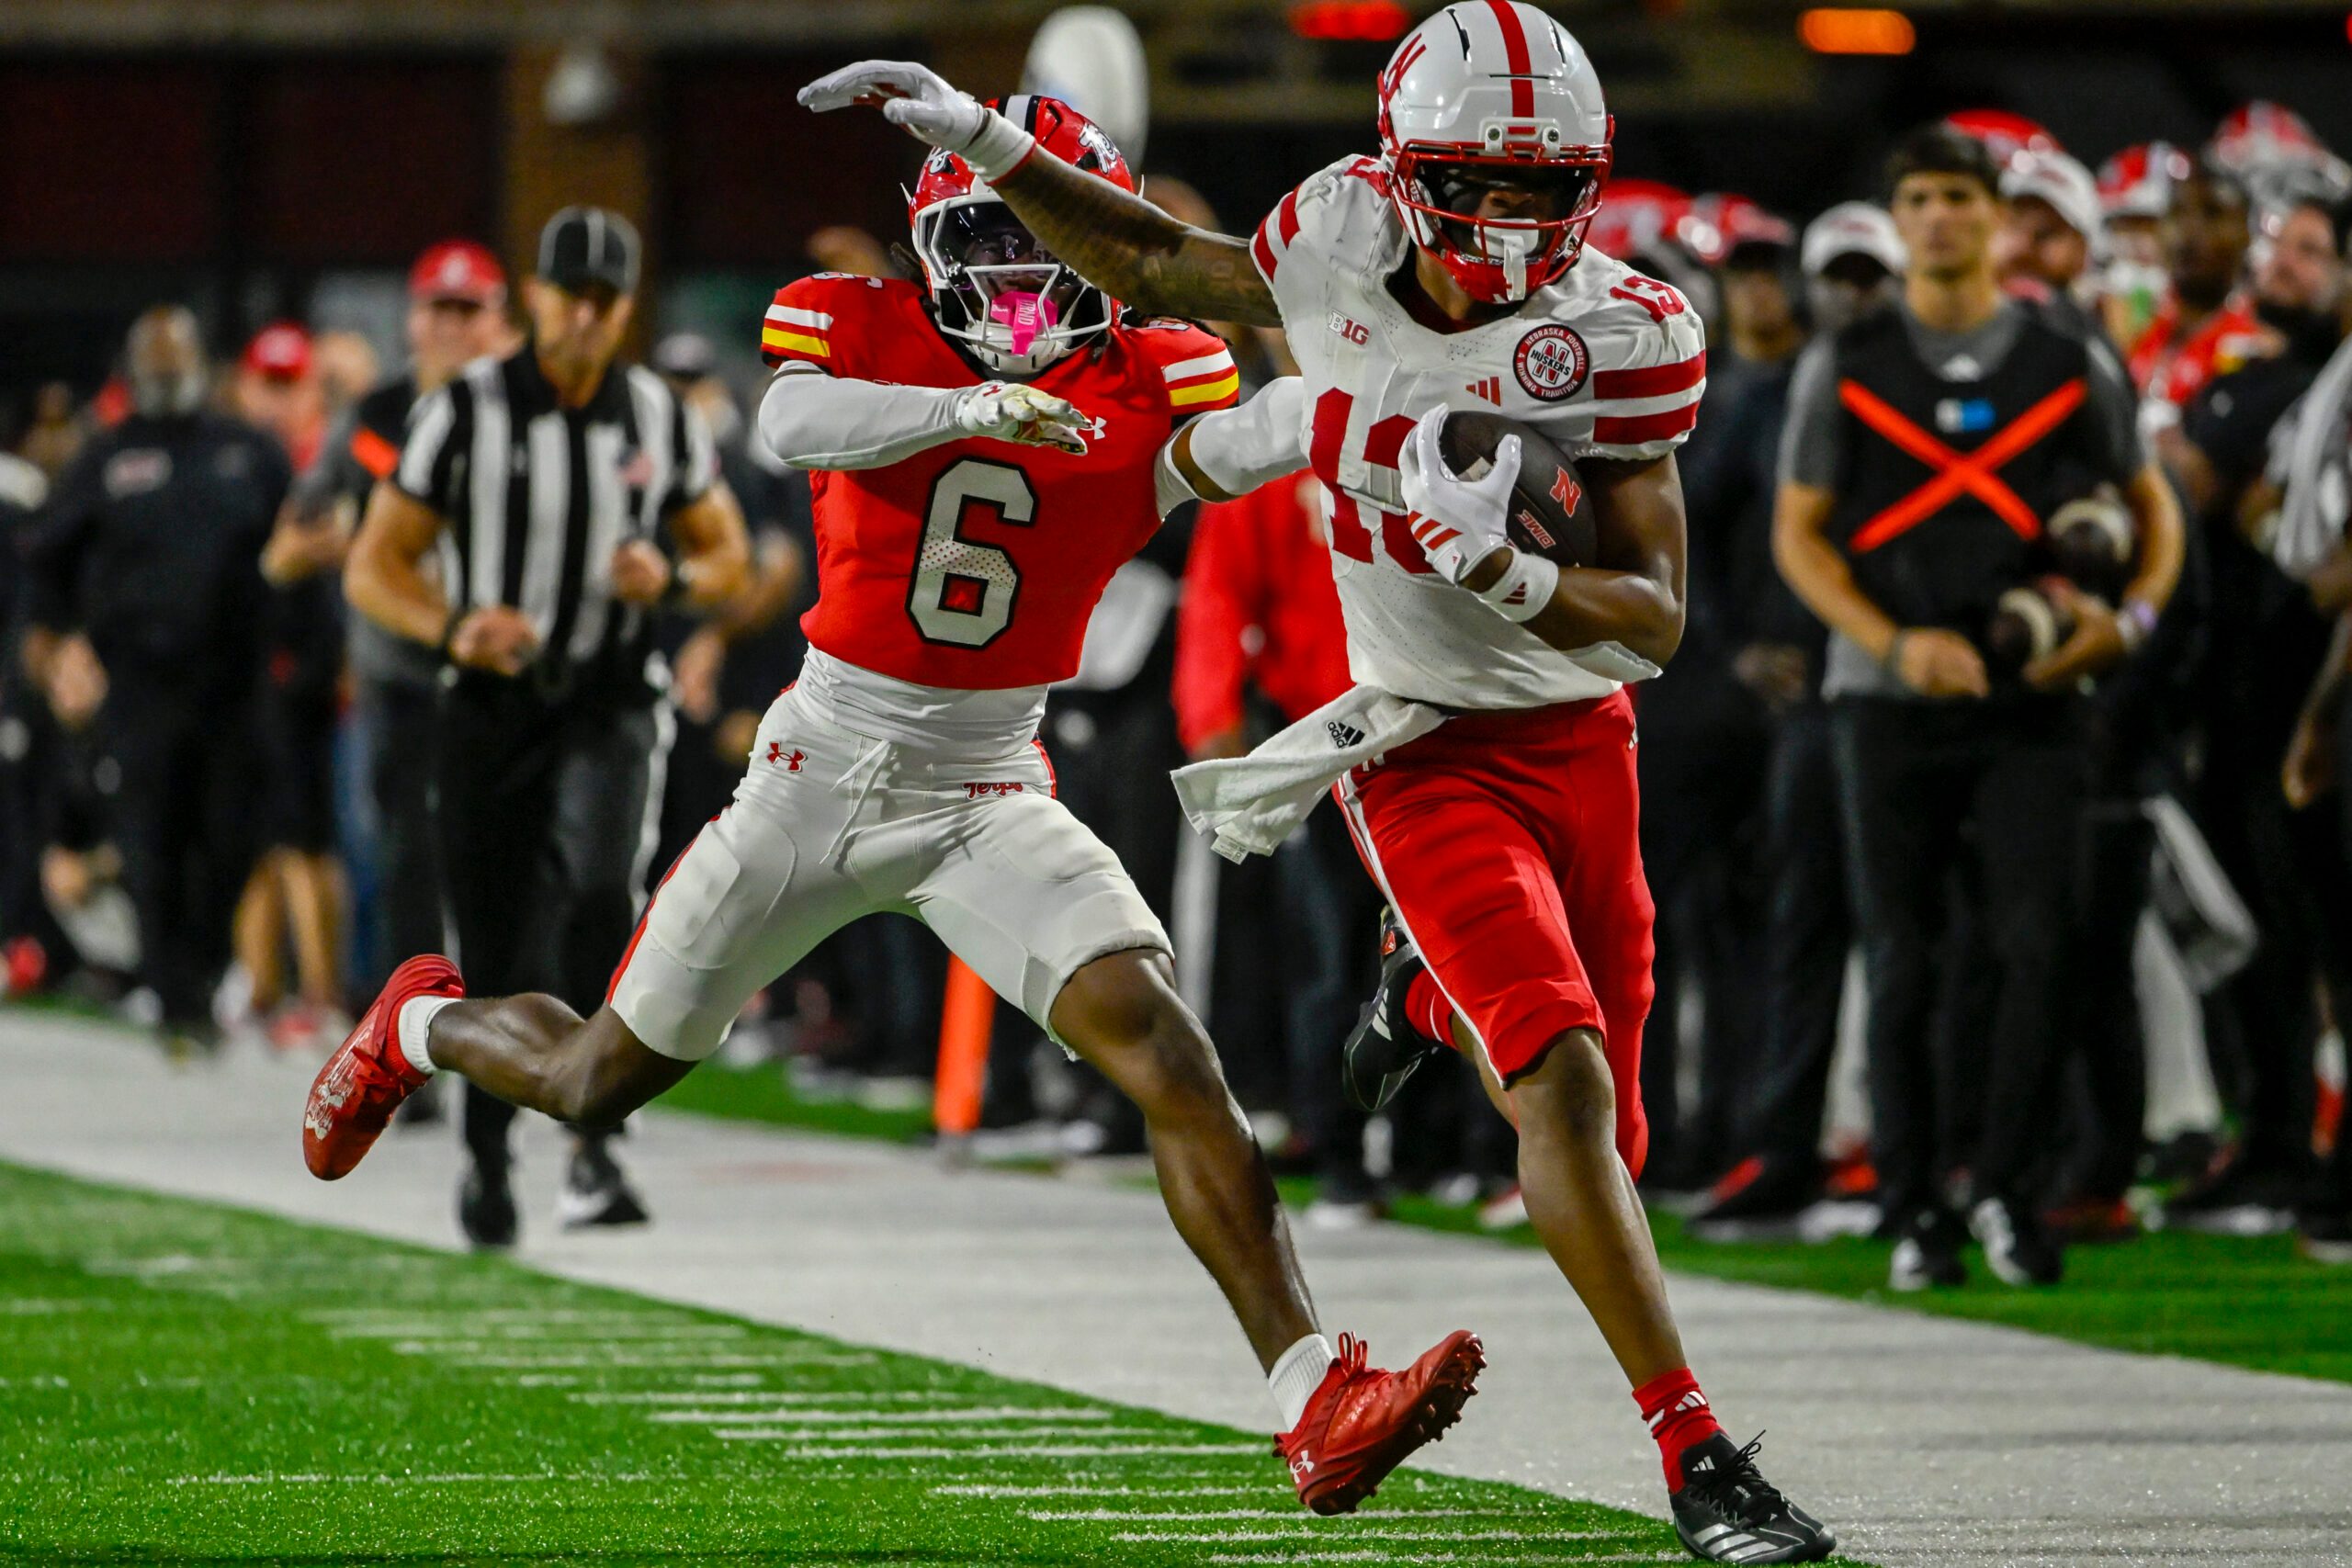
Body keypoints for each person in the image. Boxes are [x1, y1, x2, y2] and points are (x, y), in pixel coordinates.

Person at [305, 109, 1482, 1518]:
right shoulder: (857, 324)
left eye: (1044, 238)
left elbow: (1247, 442)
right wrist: (970, 409)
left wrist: (1393, 388)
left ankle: (1312, 1393)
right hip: (821, 767)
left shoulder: (1154, 372)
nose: (1022, 274)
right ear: (931, 247)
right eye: (988, 238)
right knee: (592, 1078)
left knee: (1173, 1054)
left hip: (990, 784)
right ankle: (418, 1022)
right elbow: (790, 420)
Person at [797, 13, 1838, 1559]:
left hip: (1582, 740)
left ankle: (1421, 1003)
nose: (1513, 221)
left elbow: (1657, 616)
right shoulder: (1335, 233)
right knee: (1550, 1076)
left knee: (1601, 1117)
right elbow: (1155, 266)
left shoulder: (1622, 327)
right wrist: (990, 145)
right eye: (1478, 181)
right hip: (1414, 742)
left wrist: (1508, 571)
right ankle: (1696, 1456)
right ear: (1408, 174)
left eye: (1544, 187)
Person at [1773, 125, 2184, 1292]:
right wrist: (1893, 645)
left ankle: (2008, 1190)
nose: (1940, 218)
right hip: (1884, 698)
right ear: (1896, 221)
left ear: (1997, 219)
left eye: (1960, 197)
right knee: (1901, 958)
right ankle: (1913, 1208)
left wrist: (2131, 623)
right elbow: (1798, 535)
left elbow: (2152, 510)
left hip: (2034, 700)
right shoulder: (1845, 358)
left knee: (2033, 948)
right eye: (1919, 199)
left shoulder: (2064, 352)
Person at [336, 208, 752, 1248]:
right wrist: (454, 627)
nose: (584, 317)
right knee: (494, 934)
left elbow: (728, 554)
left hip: (611, 693)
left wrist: (678, 579)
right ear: (534, 294)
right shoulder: (465, 411)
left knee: (602, 889)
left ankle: (596, 1141)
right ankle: (485, 1155)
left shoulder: (656, 415)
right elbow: (374, 564)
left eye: (606, 301)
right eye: (570, 294)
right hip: (492, 704)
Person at [1686, 206, 1903, 1236]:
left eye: (1871, 277)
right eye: (1839, 276)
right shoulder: (1769, 396)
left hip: (1914, 687)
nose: (1851, 297)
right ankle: (1783, 1147)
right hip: (1817, 696)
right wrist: (1736, 649)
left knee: (1924, 936)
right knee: (1802, 922)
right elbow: (1693, 529)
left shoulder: (1898, 379)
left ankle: (1911, 1157)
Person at [23, 307, 290, 1043]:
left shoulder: (250, 451)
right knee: (154, 834)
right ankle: (176, 994)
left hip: (234, 679)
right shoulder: (108, 458)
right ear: (135, 372)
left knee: (237, 833)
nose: (169, 377)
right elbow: (45, 556)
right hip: (141, 681)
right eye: (157, 366)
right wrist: (57, 645)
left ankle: (201, 964)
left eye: (179, 363)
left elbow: (295, 550)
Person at [300, 239, 515, 1113]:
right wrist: (344, 543)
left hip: (503, 677)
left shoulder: (525, 412)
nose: (453, 326)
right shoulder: (378, 413)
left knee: (512, 867)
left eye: (471, 309)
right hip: (400, 676)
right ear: (414, 318)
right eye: (440, 308)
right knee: (406, 868)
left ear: (499, 317)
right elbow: (298, 533)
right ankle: (410, 1059)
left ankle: (514, 1056)